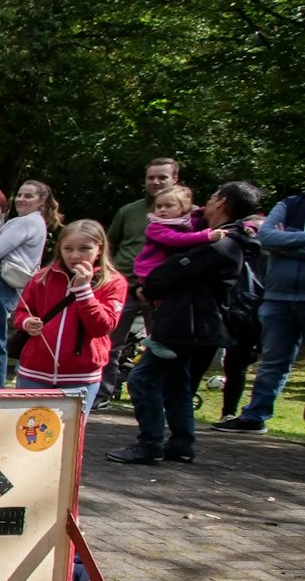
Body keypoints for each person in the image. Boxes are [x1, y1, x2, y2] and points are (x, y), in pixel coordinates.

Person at [109, 182, 260, 465]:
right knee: (178, 383)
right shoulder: (226, 239)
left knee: (142, 380)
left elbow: (174, 271)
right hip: (197, 324)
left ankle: (150, 443)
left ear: (223, 203)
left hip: (185, 322)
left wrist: (149, 287)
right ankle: (181, 443)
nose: (208, 200)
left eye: (214, 195)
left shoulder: (219, 245)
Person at [10, 221, 127, 413]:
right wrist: (26, 322)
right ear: (60, 249)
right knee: (28, 435)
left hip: (81, 377)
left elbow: (102, 327)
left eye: (84, 249)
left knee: (69, 439)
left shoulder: (113, 282)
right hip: (35, 372)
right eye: (68, 249)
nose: (75, 255)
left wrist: (83, 290)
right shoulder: (42, 277)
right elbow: (21, 312)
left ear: (99, 249)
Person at [217, 186, 304, 433]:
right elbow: (265, 237)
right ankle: (254, 416)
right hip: (276, 298)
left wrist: (285, 243)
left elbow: (274, 241)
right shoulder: (290, 203)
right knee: (272, 363)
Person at [0, 181, 59, 388]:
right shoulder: (29, 222)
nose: (21, 200)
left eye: (29, 196)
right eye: (20, 195)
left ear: (41, 200)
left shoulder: (26, 222)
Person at [101, 158, 181, 401]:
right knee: (110, 341)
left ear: (174, 179)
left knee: (164, 344)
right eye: (151, 177)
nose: (155, 182)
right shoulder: (129, 211)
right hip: (124, 284)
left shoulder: (186, 214)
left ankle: (157, 394)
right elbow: (109, 244)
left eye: (162, 177)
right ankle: (105, 393)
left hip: (161, 289)